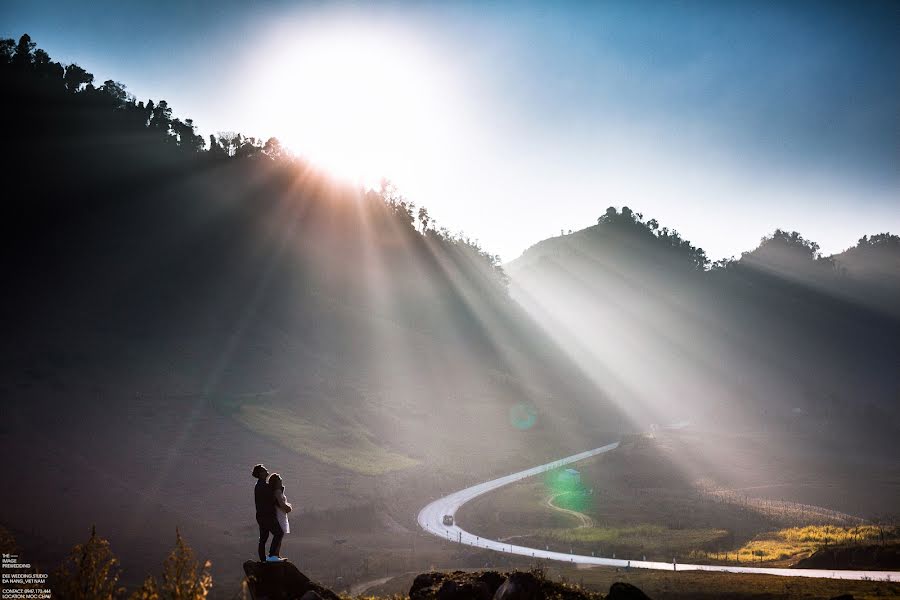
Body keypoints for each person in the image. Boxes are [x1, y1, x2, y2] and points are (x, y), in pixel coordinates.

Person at [251, 464, 284, 562]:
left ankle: (263, 560)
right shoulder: (264, 486)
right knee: (278, 533)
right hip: (268, 516)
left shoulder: (258, 486)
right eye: (264, 470)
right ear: (261, 473)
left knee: (263, 538)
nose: (266, 471)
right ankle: (272, 556)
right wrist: (280, 488)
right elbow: (273, 497)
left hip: (261, 516)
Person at [268, 473, 292, 544]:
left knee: (280, 534)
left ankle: (276, 553)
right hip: (280, 514)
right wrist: (288, 508)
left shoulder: (275, 491)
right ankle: (275, 552)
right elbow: (281, 503)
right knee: (280, 534)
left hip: (279, 513)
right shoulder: (277, 492)